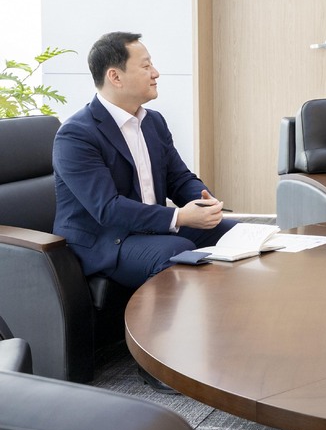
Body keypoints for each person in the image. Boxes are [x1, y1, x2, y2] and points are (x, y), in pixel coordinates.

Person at [53, 32, 235, 289]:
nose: (156, 73)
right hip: (105, 240)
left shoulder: (154, 122)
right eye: (146, 66)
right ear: (115, 77)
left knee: (235, 233)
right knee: (177, 250)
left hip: (151, 229)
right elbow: (108, 208)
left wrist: (205, 202)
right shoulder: (76, 135)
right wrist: (179, 217)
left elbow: (179, 179)